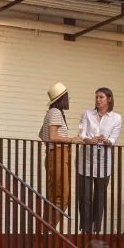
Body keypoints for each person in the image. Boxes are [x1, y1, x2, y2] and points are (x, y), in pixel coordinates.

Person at [77, 88, 122, 234]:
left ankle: (96, 228)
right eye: (96, 97)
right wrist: (88, 140)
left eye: (101, 97)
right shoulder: (87, 114)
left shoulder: (116, 118)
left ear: (109, 99)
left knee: (100, 197)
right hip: (86, 160)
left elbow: (114, 138)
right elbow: (81, 133)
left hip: (104, 162)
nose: (98, 100)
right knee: (84, 196)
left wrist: (107, 140)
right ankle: (85, 227)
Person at [39, 82, 82, 227]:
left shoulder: (50, 112)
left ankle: (44, 227)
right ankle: (48, 228)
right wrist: (71, 140)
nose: (69, 100)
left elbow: (42, 134)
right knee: (63, 196)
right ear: (62, 98)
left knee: (53, 194)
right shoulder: (56, 112)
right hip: (58, 154)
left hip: (53, 155)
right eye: (68, 97)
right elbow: (52, 136)